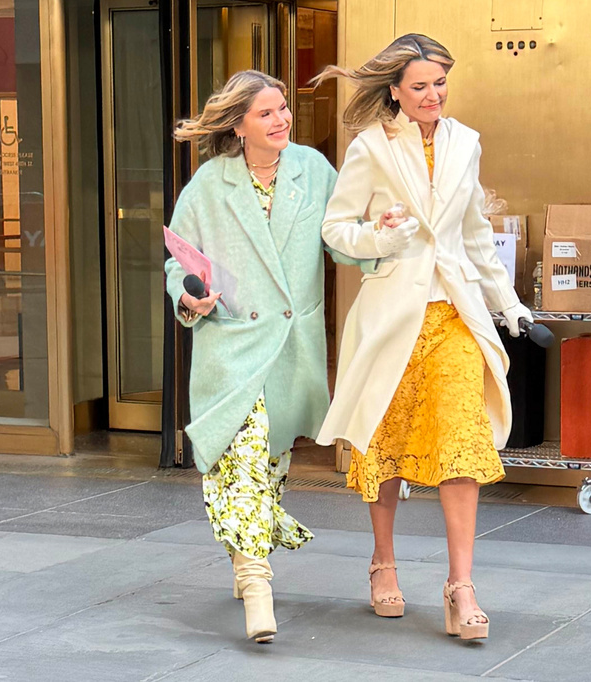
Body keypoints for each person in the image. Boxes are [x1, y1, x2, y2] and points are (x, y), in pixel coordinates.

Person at [314, 34, 533, 641]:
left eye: (439, 84)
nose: (432, 95)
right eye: (419, 86)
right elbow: (336, 231)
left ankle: (460, 587)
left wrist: (509, 305)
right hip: (391, 318)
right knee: (384, 443)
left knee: (462, 444)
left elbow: (475, 234)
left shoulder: (467, 143)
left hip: (455, 316)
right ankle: (383, 561)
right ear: (394, 91)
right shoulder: (370, 147)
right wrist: (380, 236)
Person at [164, 70, 374, 644]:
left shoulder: (314, 169)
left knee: (270, 465)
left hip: (290, 346)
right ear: (238, 125)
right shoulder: (209, 185)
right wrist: (189, 293)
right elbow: (177, 261)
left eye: (283, 108)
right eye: (266, 113)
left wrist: (379, 241)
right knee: (242, 459)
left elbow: (341, 239)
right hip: (231, 346)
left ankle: (243, 555)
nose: (281, 119)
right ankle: (258, 584)